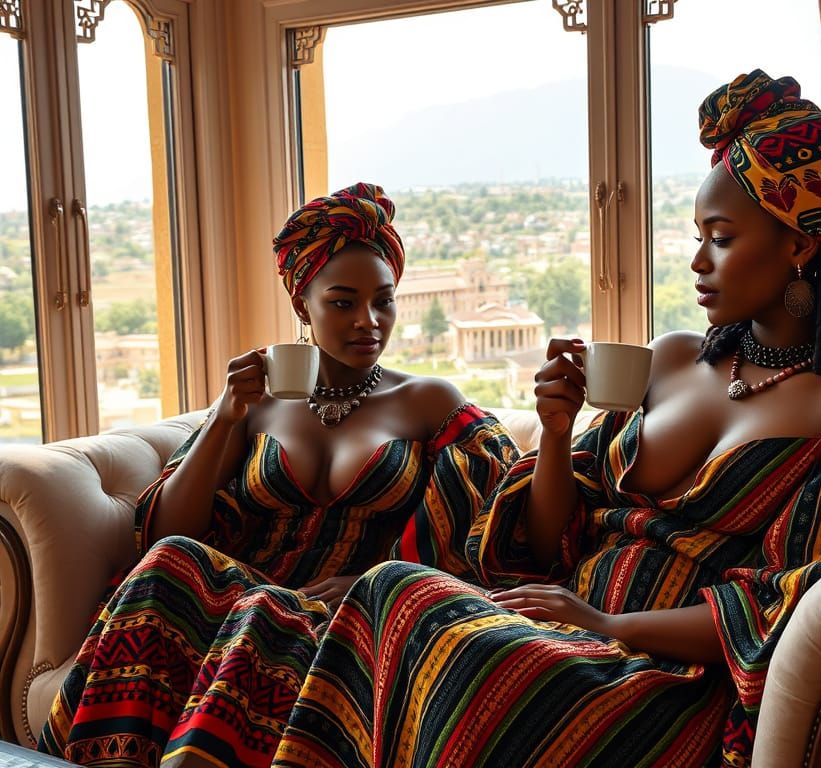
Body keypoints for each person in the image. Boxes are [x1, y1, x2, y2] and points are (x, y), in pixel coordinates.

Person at [268, 73, 821, 768]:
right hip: (555, 625)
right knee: (389, 589)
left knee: (413, 607)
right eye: (697, 235)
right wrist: (555, 430)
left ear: (799, 245)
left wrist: (605, 623)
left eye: (720, 238)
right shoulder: (672, 360)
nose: (697, 261)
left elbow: (786, 602)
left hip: (658, 676)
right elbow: (544, 543)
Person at [36, 183, 518, 768]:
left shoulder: (427, 400)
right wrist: (225, 416)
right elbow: (165, 533)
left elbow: (492, 519)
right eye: (342, 302)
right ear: (302, 305)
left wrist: (375, 584)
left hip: (351, 615)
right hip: (241, 599)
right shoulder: (259, 401)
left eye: (383, 301)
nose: (369, 321)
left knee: (263, 614)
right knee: (171, 567)